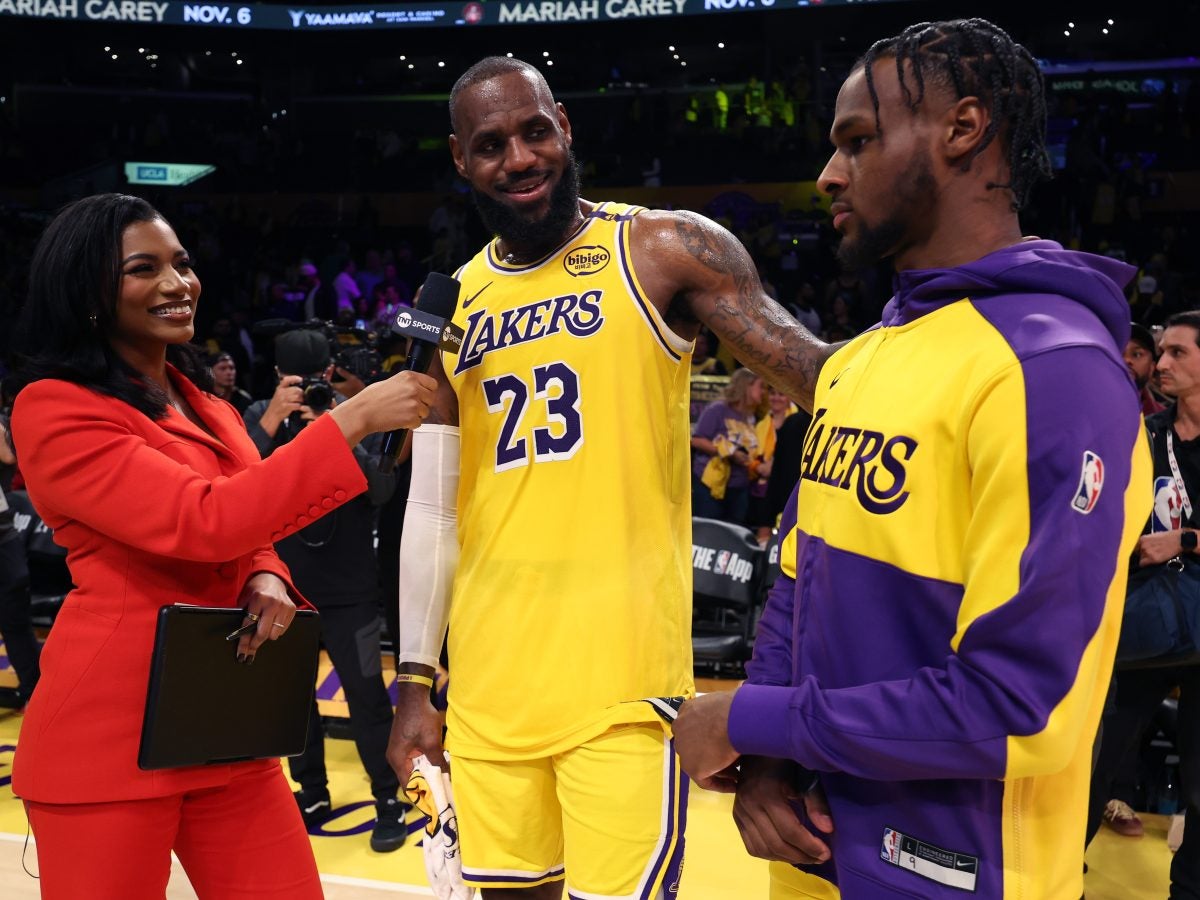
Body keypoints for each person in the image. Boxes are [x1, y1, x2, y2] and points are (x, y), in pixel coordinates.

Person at [670, 19, 1152, 900]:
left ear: (965, 130)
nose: (828, 174)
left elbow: (1025, 710)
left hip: (963, 872)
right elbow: (795, 583)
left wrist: (750, 716)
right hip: (812, 851)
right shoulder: (856, 362)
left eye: (859, 140)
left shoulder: (1054, 370)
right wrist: (770, 761)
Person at [385, 56, 834, 900]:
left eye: (533, 131)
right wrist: (414, 683)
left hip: (623, 692)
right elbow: (434, 507)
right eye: (490, 144)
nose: (518, 157)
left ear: (565, 127)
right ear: (459, 159)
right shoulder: (452, 304)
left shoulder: (661, 248)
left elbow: (822, 375)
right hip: (488, 692)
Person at [6, 193, 435, 899]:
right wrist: (353, 418)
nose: (178, 284)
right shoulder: (55, 406)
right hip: (109, 738)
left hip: (226, 721)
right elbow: (203, 518)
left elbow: (250, 519)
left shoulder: (201, 399)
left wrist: (265, 574)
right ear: (85, 291)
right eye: (145, 269)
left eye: (181, 263)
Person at [243, 329, 410, 854]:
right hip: (284, 590)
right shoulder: (255, 417)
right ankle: (312, 793)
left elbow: (382, 489)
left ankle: (389, 799)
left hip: (351, 589)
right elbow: (231, 486)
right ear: (276, 377)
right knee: (293, 704)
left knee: (366, 700)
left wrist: (340, 431)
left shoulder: (354, 414)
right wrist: (272, 419)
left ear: (332, 370)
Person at [1087, 310, 1200, 899]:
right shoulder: (1144, 435)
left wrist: (1183, 540)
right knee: (1096, 765)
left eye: (1179, 353)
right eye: (1161, 352)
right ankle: (1061, 882)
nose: (1161, 364)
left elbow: (1172, 535)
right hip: (1146, 620)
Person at [691, 367, 764, 526]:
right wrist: (729, 453)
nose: (763, 392)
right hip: (710, 486)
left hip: (740, 487)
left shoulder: (753, 417)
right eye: (761, 386)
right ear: (747, 386)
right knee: (708, 533)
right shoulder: (718, 409)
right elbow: (696, 440)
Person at [1126, 322, 1167, 417]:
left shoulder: (1164, 421)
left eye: (1137, 354)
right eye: (1118, 352)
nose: (1127, 360)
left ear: (1152, 367)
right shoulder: (1086, 410)